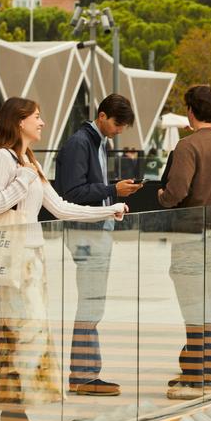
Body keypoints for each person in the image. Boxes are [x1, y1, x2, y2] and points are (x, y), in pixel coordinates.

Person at [0, 97, 126, 421]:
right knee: (27, 334)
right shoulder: (3, 160)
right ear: (19, 121)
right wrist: (22, 180)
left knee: (19, 335)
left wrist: (110, 208)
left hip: (33, 259)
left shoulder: (29, 161)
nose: (42, 122)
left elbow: (61, 207)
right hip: (15, 259)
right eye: (36, 117)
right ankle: (5, 409)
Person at [158, 85, 211, 400]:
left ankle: (195, 380)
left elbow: (176, 193)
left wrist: (161, 196)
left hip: (190, 239)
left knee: (193, 310)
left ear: (192, 111)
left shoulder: (186, 147)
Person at [54, 94, 142, 397]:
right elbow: (73, 192)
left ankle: (85, 372)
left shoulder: (96, 143)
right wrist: (111, 190)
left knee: (93, 302)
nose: (119, 130)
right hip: (85, 234)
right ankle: (83, 374)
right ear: (102, 116)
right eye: (117, 123)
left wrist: (111, 196)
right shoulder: (80, 143)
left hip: (95, 230)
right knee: (91, 303)